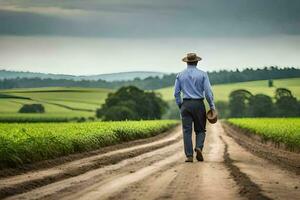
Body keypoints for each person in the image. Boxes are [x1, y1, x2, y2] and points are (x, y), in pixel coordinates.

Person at [174, 53, 215, 162]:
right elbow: (208, 93)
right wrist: (212, 106)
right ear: (197, 62)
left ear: (187, 62)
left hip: (186, 105)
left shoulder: (180, 75)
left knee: (187, 131)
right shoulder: (203, 74)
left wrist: (181, 106)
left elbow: (176, 93)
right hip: (198, 104)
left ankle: (189, 156)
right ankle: (198, 147)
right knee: (201, 129)